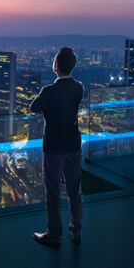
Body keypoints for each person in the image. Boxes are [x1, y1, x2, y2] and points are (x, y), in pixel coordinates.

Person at [29, 47, 84, 248]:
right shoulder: (79, 88)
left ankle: (54, 234)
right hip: (74, 145)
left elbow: (33, 107)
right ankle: (76, 230)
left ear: (56, 66)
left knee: (53, 192)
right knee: (74, 189)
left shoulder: (49, 91)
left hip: (53, 148)